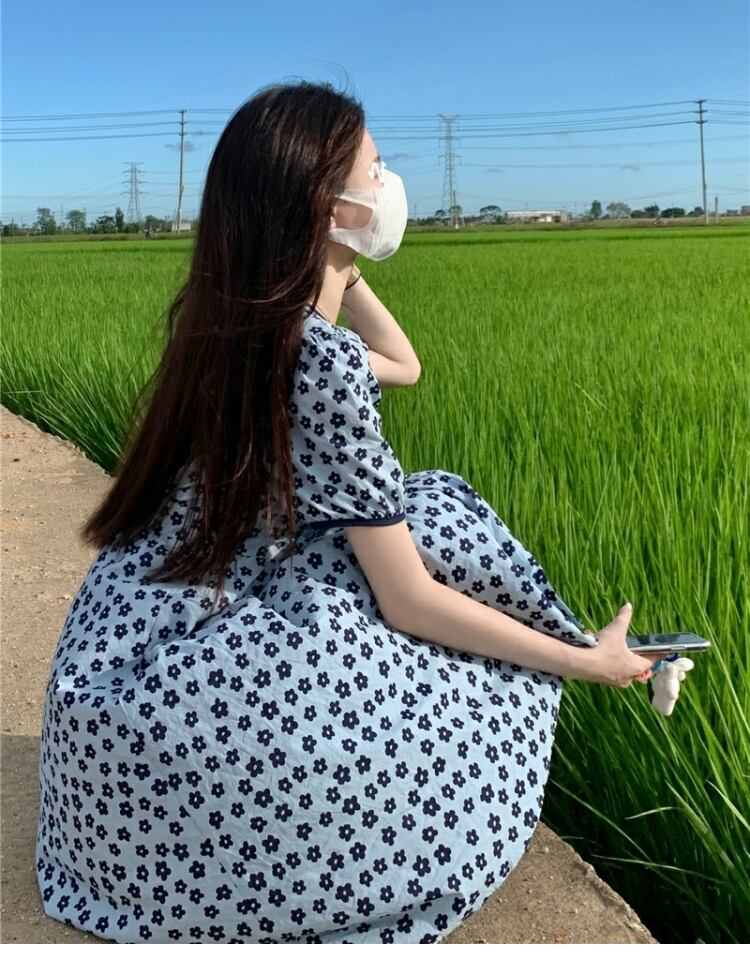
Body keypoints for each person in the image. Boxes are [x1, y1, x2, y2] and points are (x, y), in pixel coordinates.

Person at [34, 80, 663, 945]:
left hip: (125, 657)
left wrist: (337, 265)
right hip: (213, 641)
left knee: (409, 520)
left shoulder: (236, 324)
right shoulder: (320, 365)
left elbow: (402, 364)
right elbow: (409, 600)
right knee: (441, 564)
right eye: (377, 167)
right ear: (330, 205)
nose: (390, 182)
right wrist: (582, 661)